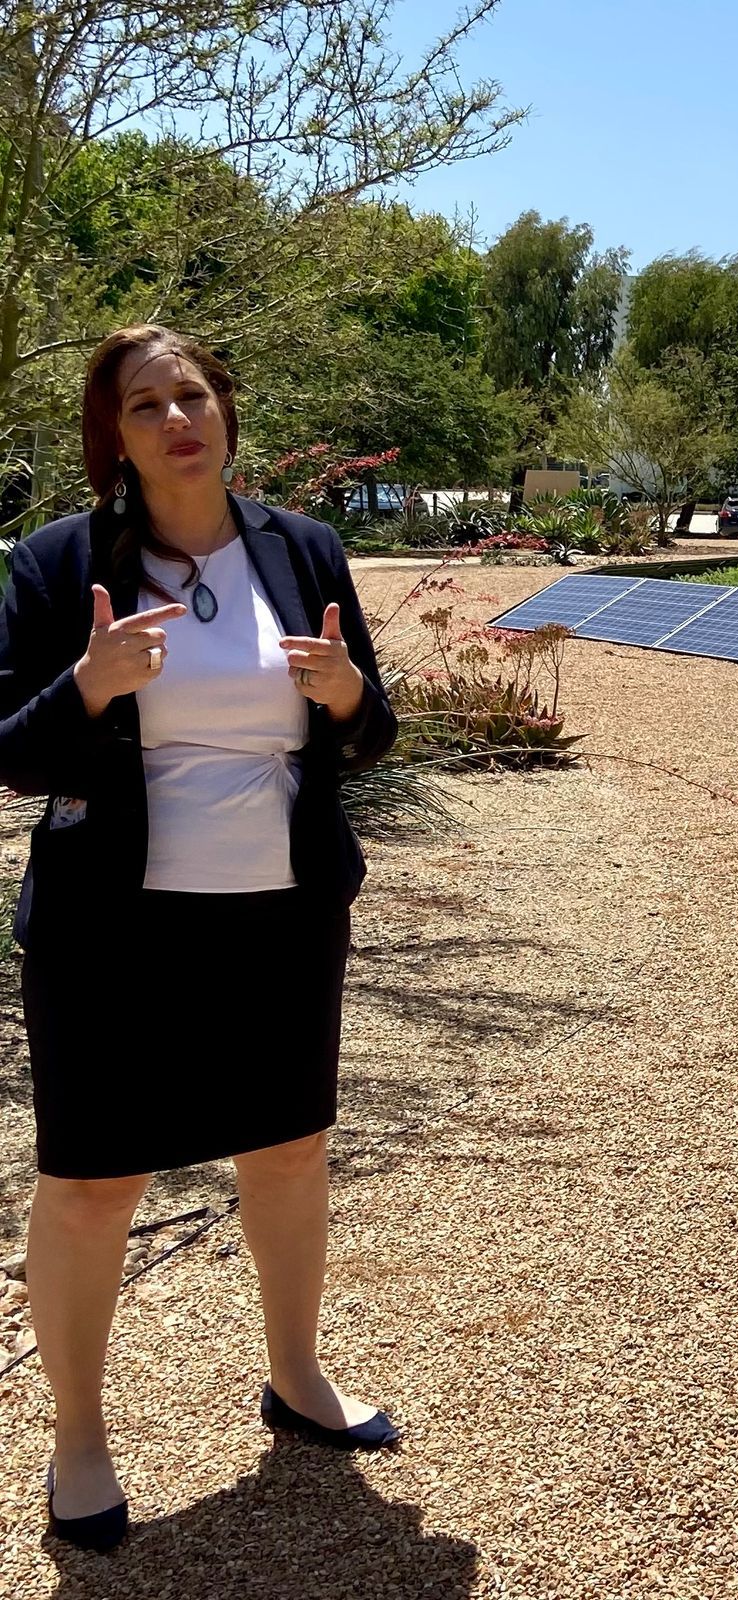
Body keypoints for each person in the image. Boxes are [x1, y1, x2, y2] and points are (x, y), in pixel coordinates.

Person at [0, 326, 403, 1552]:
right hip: (111, 929)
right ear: (111, 436)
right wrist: (88, 683)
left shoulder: (302, 548)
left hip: (280, 918)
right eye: (144, 405)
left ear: (227, 412)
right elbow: (9, 749)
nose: (177, 419)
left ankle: (295, 1374)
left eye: (194, 395)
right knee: (91, 1183)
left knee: (285, 1153)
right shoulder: (56, 564)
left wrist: (345, 699)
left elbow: (368, 727)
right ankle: (80, 1439)